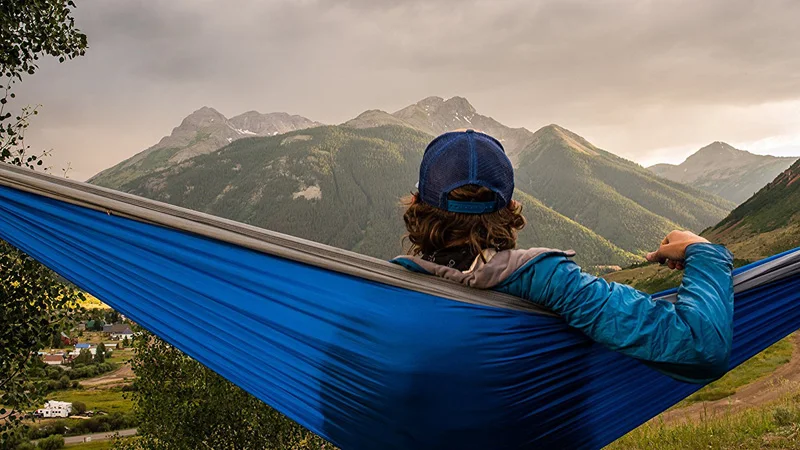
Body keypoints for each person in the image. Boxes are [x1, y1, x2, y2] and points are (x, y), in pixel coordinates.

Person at [391, 129, 734, 383]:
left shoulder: (382, 289)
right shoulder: (550, 282)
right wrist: (703, 254)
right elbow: (700, 348)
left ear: (417, 207)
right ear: (510, 209)